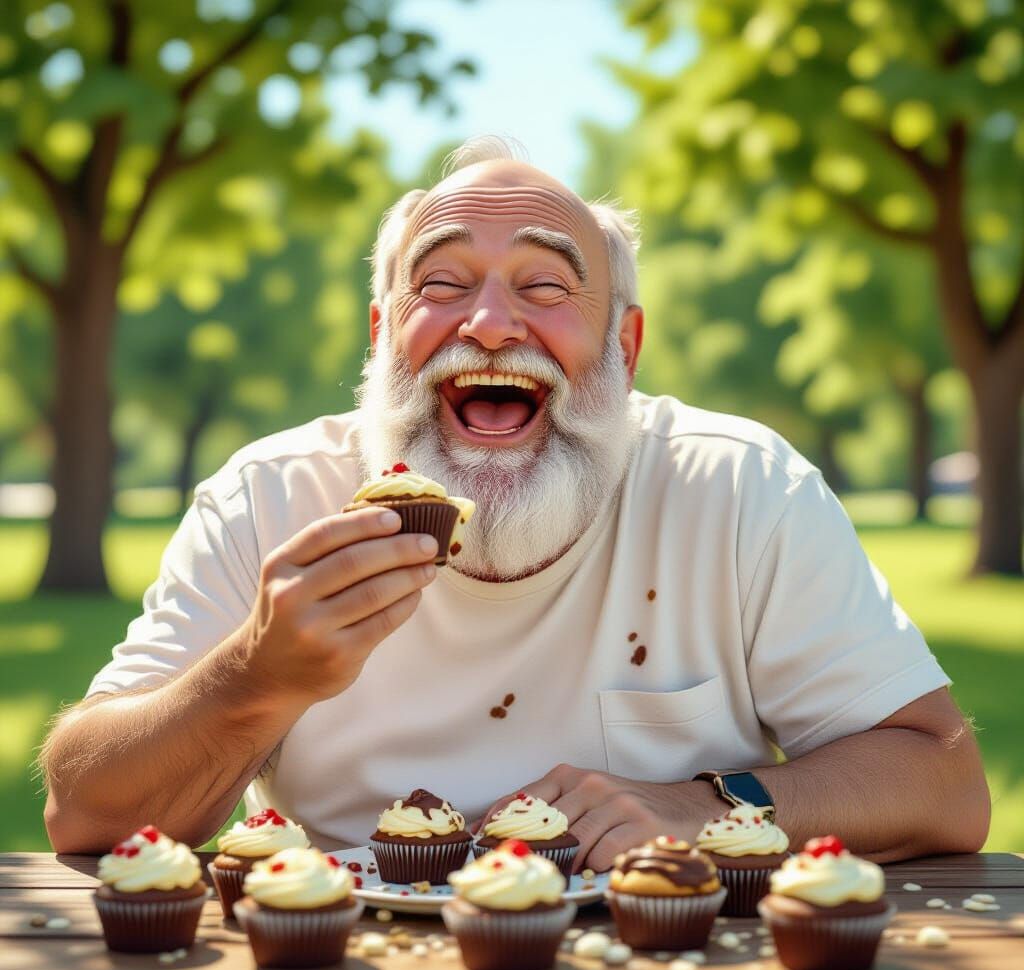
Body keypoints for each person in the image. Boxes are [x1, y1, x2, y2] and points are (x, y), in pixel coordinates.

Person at [41, 137, 990, 868]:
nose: (490, 327)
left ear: (624, 346)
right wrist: (255, 674)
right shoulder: (272, 497)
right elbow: (84, 812)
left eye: (544, 286)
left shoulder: (739, 487)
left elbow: (942, 781)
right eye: (443, 285)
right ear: (384, 337)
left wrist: (708, 805)